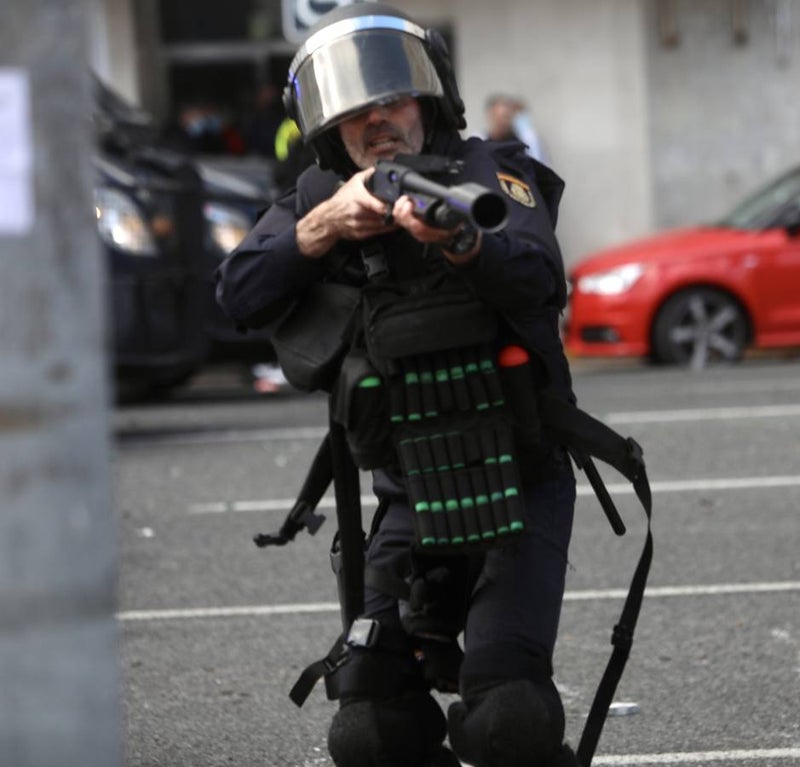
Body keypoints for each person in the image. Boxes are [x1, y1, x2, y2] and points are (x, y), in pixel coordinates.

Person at [215, 5, 581, 766]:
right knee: (370, 727)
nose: (378, 120)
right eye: (356, 111)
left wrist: (462, 243)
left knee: (508, 716)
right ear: (329, 128)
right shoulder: (323, 195)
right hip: (408, 494)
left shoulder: (489, 170)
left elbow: (540, 276)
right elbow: (238, 293)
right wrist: (327, 226)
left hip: (518, 477)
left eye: (393, 100)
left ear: (429, 99)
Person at [483, 93, 547, 164]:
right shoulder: (482, 146)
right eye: (498, 117)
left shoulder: (523, 145)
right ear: (490, 116)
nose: (502, 122)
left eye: (506, 117)